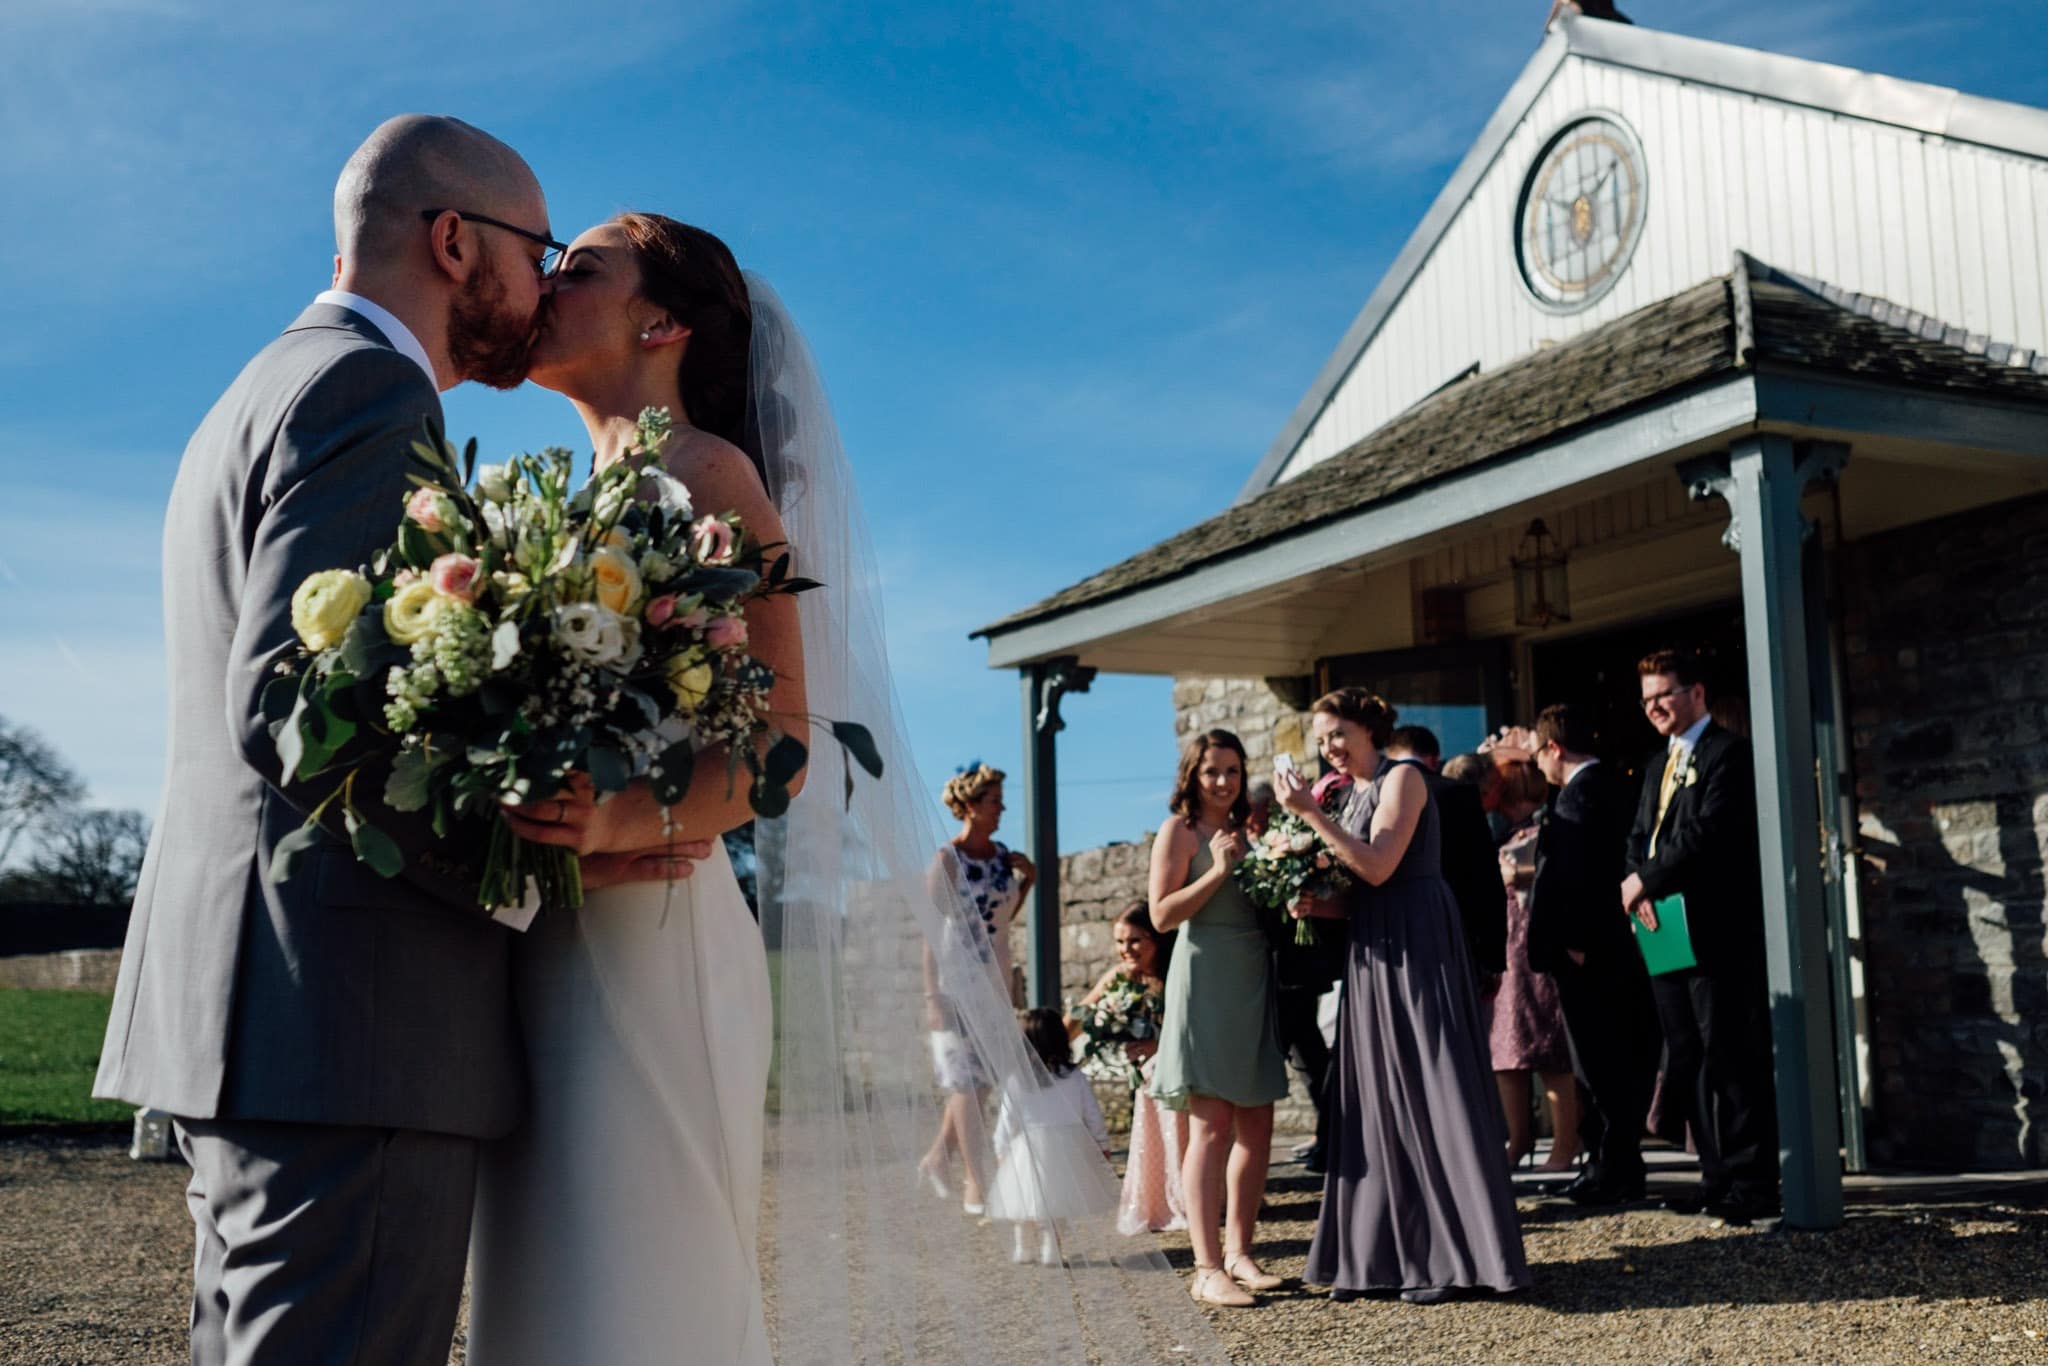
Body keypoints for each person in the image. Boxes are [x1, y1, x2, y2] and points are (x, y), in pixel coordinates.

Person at [470, 216, 1220, 1362]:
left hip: (651, 934)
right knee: (544, 1259)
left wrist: (619, 814)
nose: (547, 278)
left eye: (580, 266)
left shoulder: (705, 475)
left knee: (628, 1263)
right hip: (556, 925)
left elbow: (783, 744)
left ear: (658, 322)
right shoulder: (566, 497)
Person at [90, 117, 714, 1366]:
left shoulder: (262, 383)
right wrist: (538, 860)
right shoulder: (370, 392)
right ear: (451, 241)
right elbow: (289, 706)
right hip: (351, 1022)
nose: (543, 285)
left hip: (257, 1009)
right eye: (536, 250)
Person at [1280, 689, 1529, 1305]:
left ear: (1369, 729)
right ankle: (1381, 1256)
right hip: (1373, 945)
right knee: (1379, 1094)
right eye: (1320, 737)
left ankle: (1458, 1256)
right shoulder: (1352, 792)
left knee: (1432, 1084)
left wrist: (1308, 816)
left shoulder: (1404, 780)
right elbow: (1360, 887)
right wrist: (1315, 904)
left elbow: (1382, 865)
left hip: (1419, 941)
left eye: (1337, 733)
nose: (1327, 745)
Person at [1624, 649, 1779, 1225]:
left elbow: (1709, 832)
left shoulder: (1729, 755)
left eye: (1663, 694)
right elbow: (1640, 833)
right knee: (1686, 1055)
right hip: (1662, 927)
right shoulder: (1655, 763)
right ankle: (1714, 1178)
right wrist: (1635, 886)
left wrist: (1646, 878)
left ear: (1696, 693)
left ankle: (1754, 1183)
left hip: (1716, 928)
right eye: (1646, 700)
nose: (1654, 707)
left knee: (1729, 1055)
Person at [1148, 729, 1291, 1308]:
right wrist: (1217, 871)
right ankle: (1205, 1268)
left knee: (1258, 1124)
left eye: (1233, 771)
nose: (1224, 782)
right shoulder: (1179, 831)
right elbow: (1160, 915)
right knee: (1210, 1124)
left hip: (1252, 976)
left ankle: (1240, 1253)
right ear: (1192, 774)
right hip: (1205, 976)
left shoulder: (1248, 831)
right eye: (1213, 771)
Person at [1525, 703, 1661, 1205]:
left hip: (1591, 953)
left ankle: (1611, 1168)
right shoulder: (1614, 786)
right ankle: (1616, 1164)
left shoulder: (1578, 798)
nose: (1537, 764)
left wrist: (1576, 942)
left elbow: (1578, 875)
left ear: (1555, 748)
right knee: (1616, 1059)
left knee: (1599, 1064)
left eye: (1539, 753)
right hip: (1617, 947)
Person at [915, 761, 1035, 1214]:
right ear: (968, 806)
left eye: (1002, 800)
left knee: (984, 1079)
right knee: (965, 1082)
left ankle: (935, 1159)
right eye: (993, 801)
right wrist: (932, 996)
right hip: (955, 981)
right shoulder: (948, 859)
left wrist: (1028, 883)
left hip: (996, 979)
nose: (1001, 808)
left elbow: (999, 919)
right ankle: (975, 1180)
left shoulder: (1004, 855)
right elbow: (931, 930)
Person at [1067, 903, 1186, 1235]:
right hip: (1147, 1077)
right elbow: (1080, 1016)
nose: (1126, 950)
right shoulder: (1121, 976)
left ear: (1156, 940)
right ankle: (1158, 1199)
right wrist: (1046, 1050)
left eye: (1135, 941)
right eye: (1120, 942)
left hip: (1185, 1069)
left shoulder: (1175, 972)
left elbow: (1192, 1023)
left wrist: (1157, 1045)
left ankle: (1195, 1197)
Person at [1489, 757, 1582, 1173]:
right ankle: (1518, 1139)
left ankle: (1565, 1142)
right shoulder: (1502, 832)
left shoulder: (1545, 828)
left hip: (1535, 945)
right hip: (1508, 949)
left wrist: (1517, 871)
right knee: (1507, 1047)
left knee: (1548, 1048)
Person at [1249, 778, 1338, 1175]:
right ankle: (1329, 1134)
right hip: (1265, 968)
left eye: (1256, 816)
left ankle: (1332, 1134)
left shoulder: (1290, 842)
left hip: (1294, 968)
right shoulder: (1254, 846)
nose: (1251, 825)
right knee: (1304, 1054)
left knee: (1306, 1053)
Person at [988, 1008, 1121, 1264]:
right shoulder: (1074, 1077)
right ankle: (1051, 1248)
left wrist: (1001, 1149)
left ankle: (1022, 1246)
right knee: (1056, 1201)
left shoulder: (1016, 1080)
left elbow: (1006, 1121)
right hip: (1067, 1147)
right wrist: (1102, 1143)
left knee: (1024, 1197)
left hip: (1026, 1148)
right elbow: (1092, 1114)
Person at [1386, 726, 1507, 983]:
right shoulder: (1456, 793)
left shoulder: (1371, 794)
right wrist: (1492, 957)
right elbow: (1484, 877)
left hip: (1385, 940)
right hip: (1453, 937)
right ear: (1434, 757)